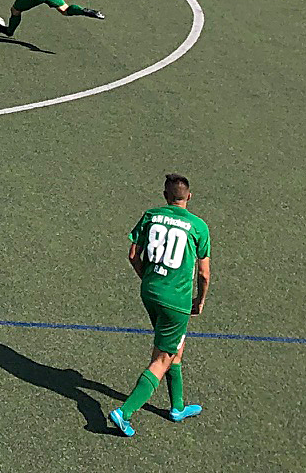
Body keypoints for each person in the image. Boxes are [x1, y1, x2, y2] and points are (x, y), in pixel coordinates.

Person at [107, 173, 212, 436]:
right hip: (176, 301)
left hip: (150, 292)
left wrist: (149, 279)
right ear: (189, 196)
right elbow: (204, 274)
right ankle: (124, 412)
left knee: (175, 346)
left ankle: (177, 407)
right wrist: (199, 301)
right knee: (162, 358)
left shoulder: (151, 215)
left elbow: (133, 255)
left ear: (165, 196)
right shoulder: (198, 226)